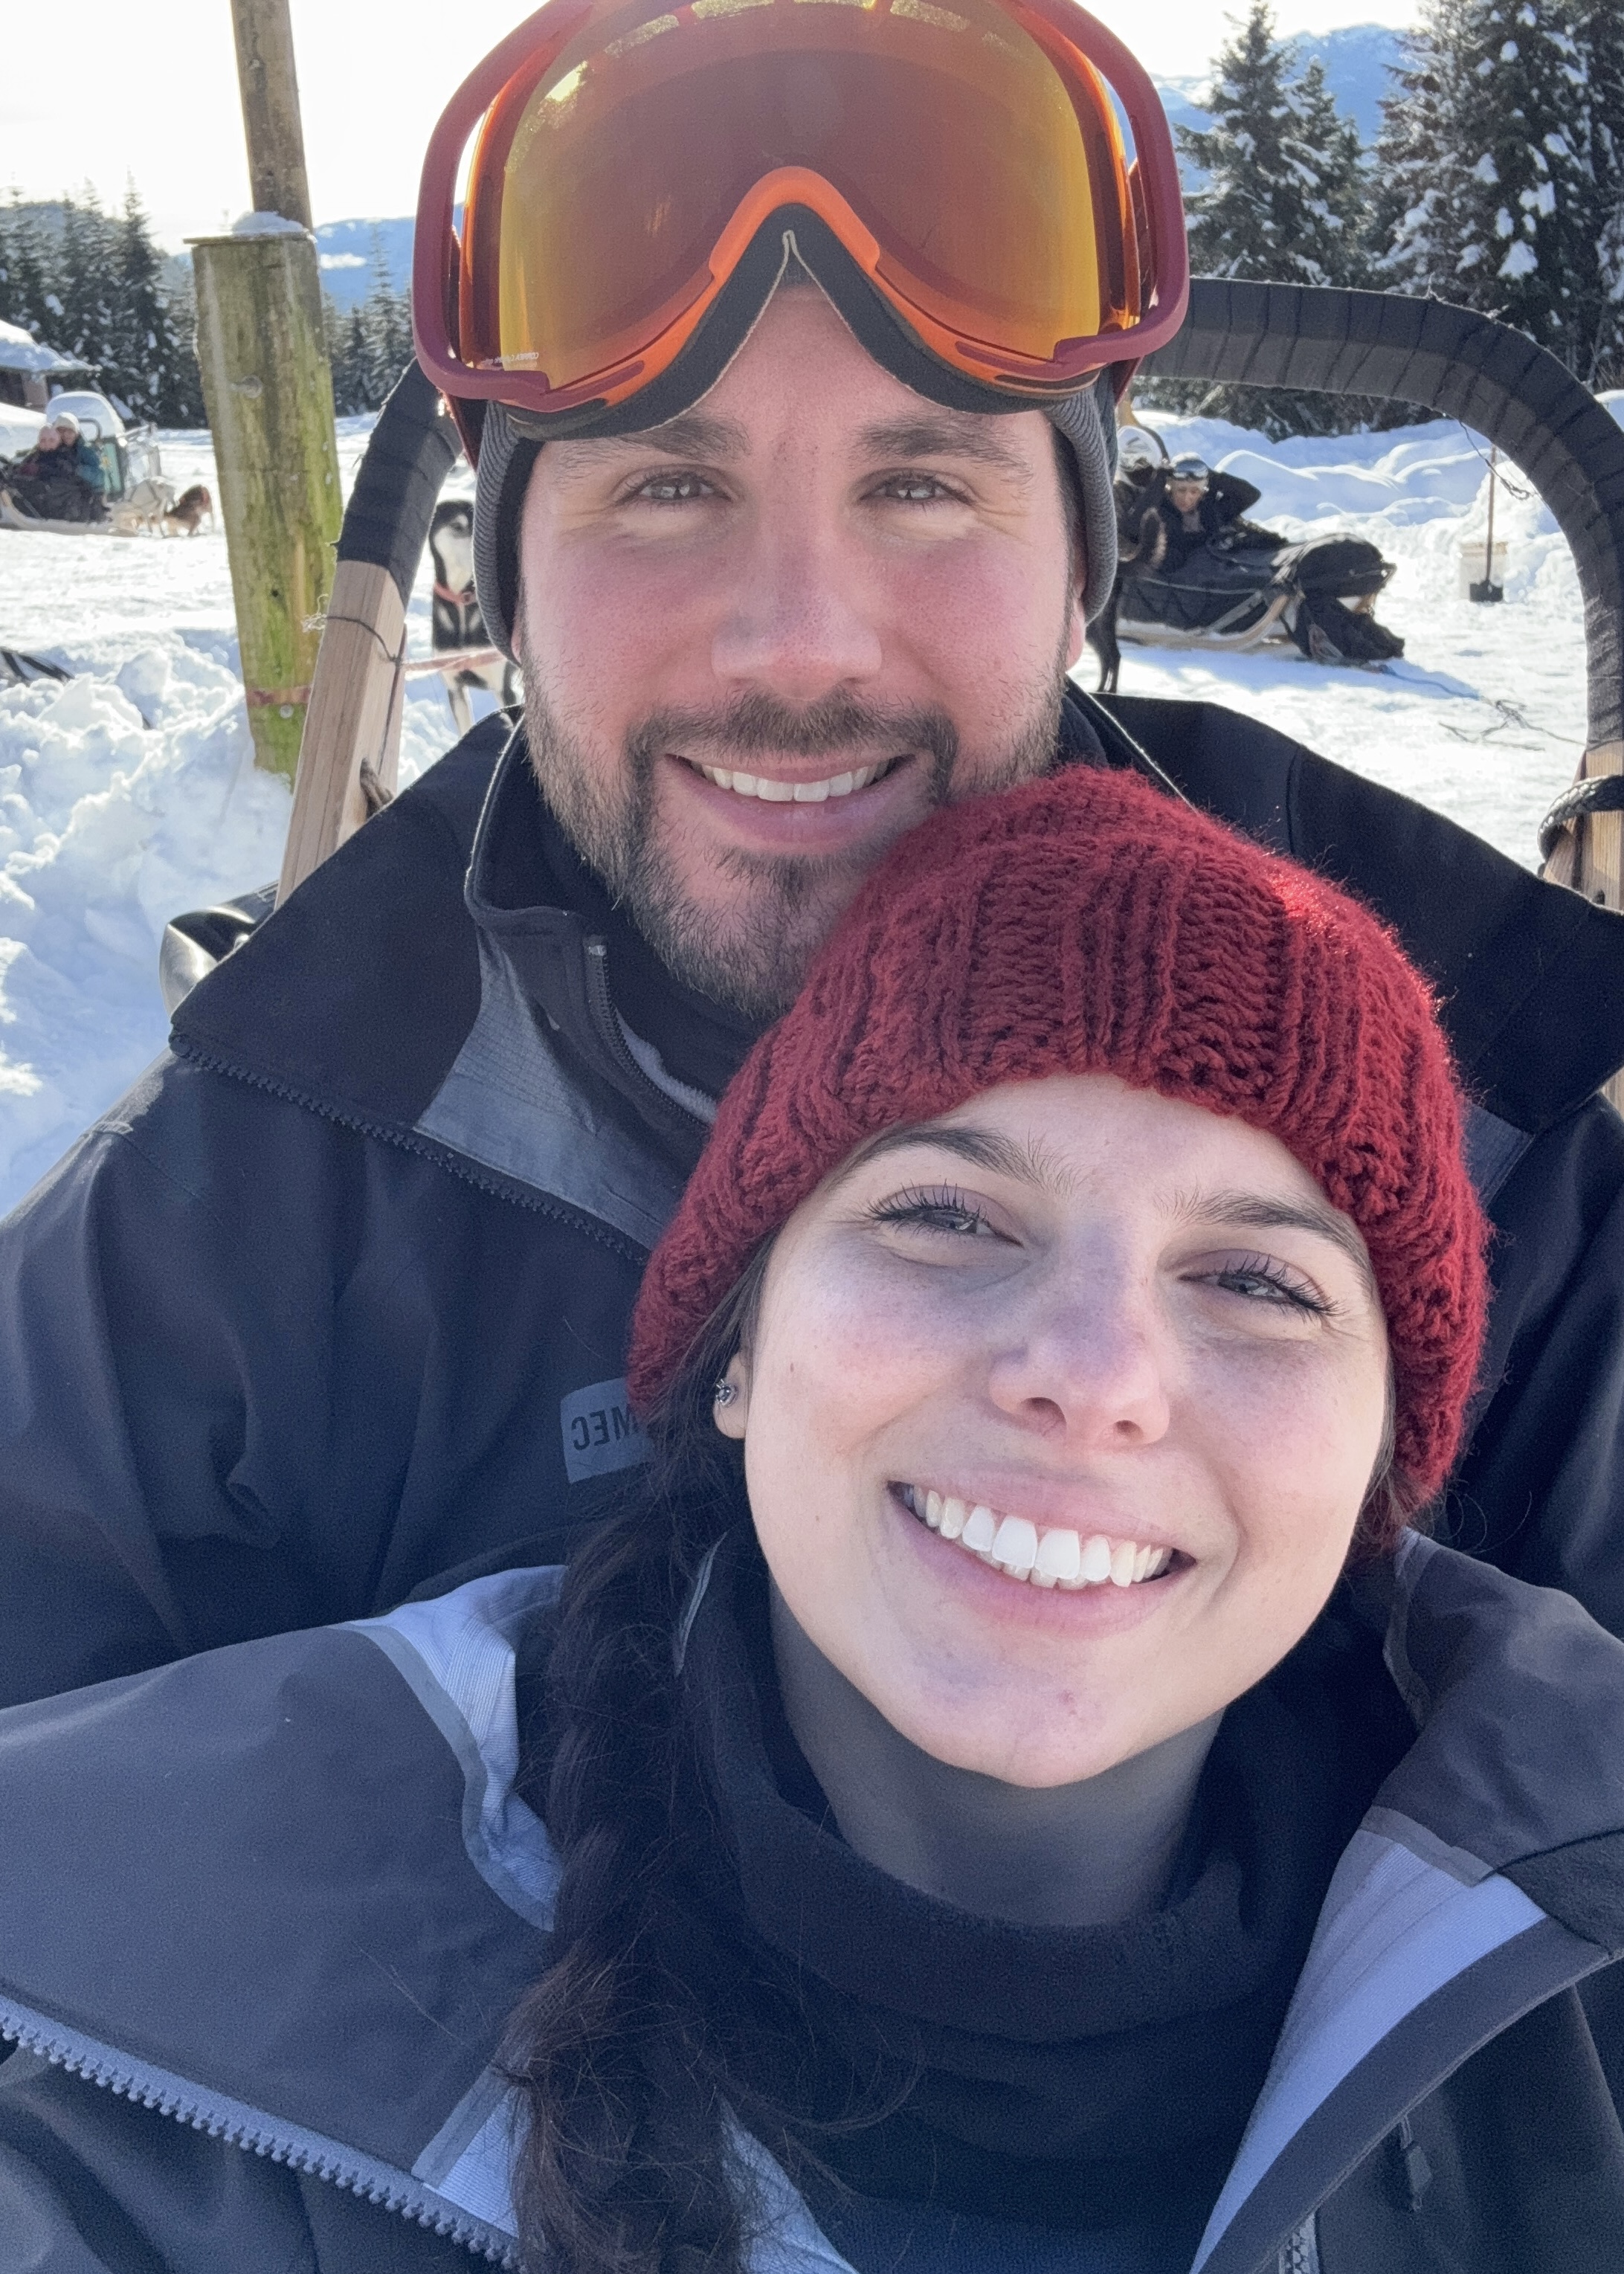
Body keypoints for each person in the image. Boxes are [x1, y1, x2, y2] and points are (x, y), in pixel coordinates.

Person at [4, 0, 1624, 1716]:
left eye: (922, 483)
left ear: (1081, 555)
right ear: (510, 579)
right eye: (664, 487)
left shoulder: (1486, 1147)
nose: (794, 641)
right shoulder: (229, 1234)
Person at [2, 764, 1621, 2274]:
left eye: (1258, 1281)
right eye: (946, 1213)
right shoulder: (159, 2070)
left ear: (1380, 1462)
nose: (1091, 1375)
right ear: (740, 1351)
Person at [1116, 453, 1405, 665]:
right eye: (1181, 491)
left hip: (1221, 555)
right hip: (1184, 565)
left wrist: (1211, 477)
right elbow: (1130, 527)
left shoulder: (1210, 508)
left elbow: (1249, 494)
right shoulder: (1160, 509)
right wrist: (1158, 483)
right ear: (1170, 488)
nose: (1187, 498)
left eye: (1195, 491)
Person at [0, 410, 108, 525]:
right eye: (61, 431)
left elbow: (99, 476)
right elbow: (31, 460)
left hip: (89, 498)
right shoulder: (50, 449)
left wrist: (77, 470)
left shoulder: (85, 450)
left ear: (76, 432)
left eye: (70, 431)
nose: (65, 435)